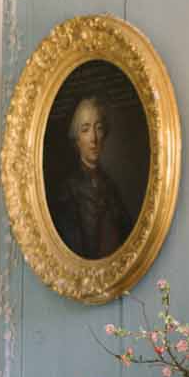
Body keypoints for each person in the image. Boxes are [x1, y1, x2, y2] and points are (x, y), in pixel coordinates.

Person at [49, 94, 134, 260]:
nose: (93, 138)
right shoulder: (67, 191)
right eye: (85, 129)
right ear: (77, 139)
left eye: (99, 128)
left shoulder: (110, 187)